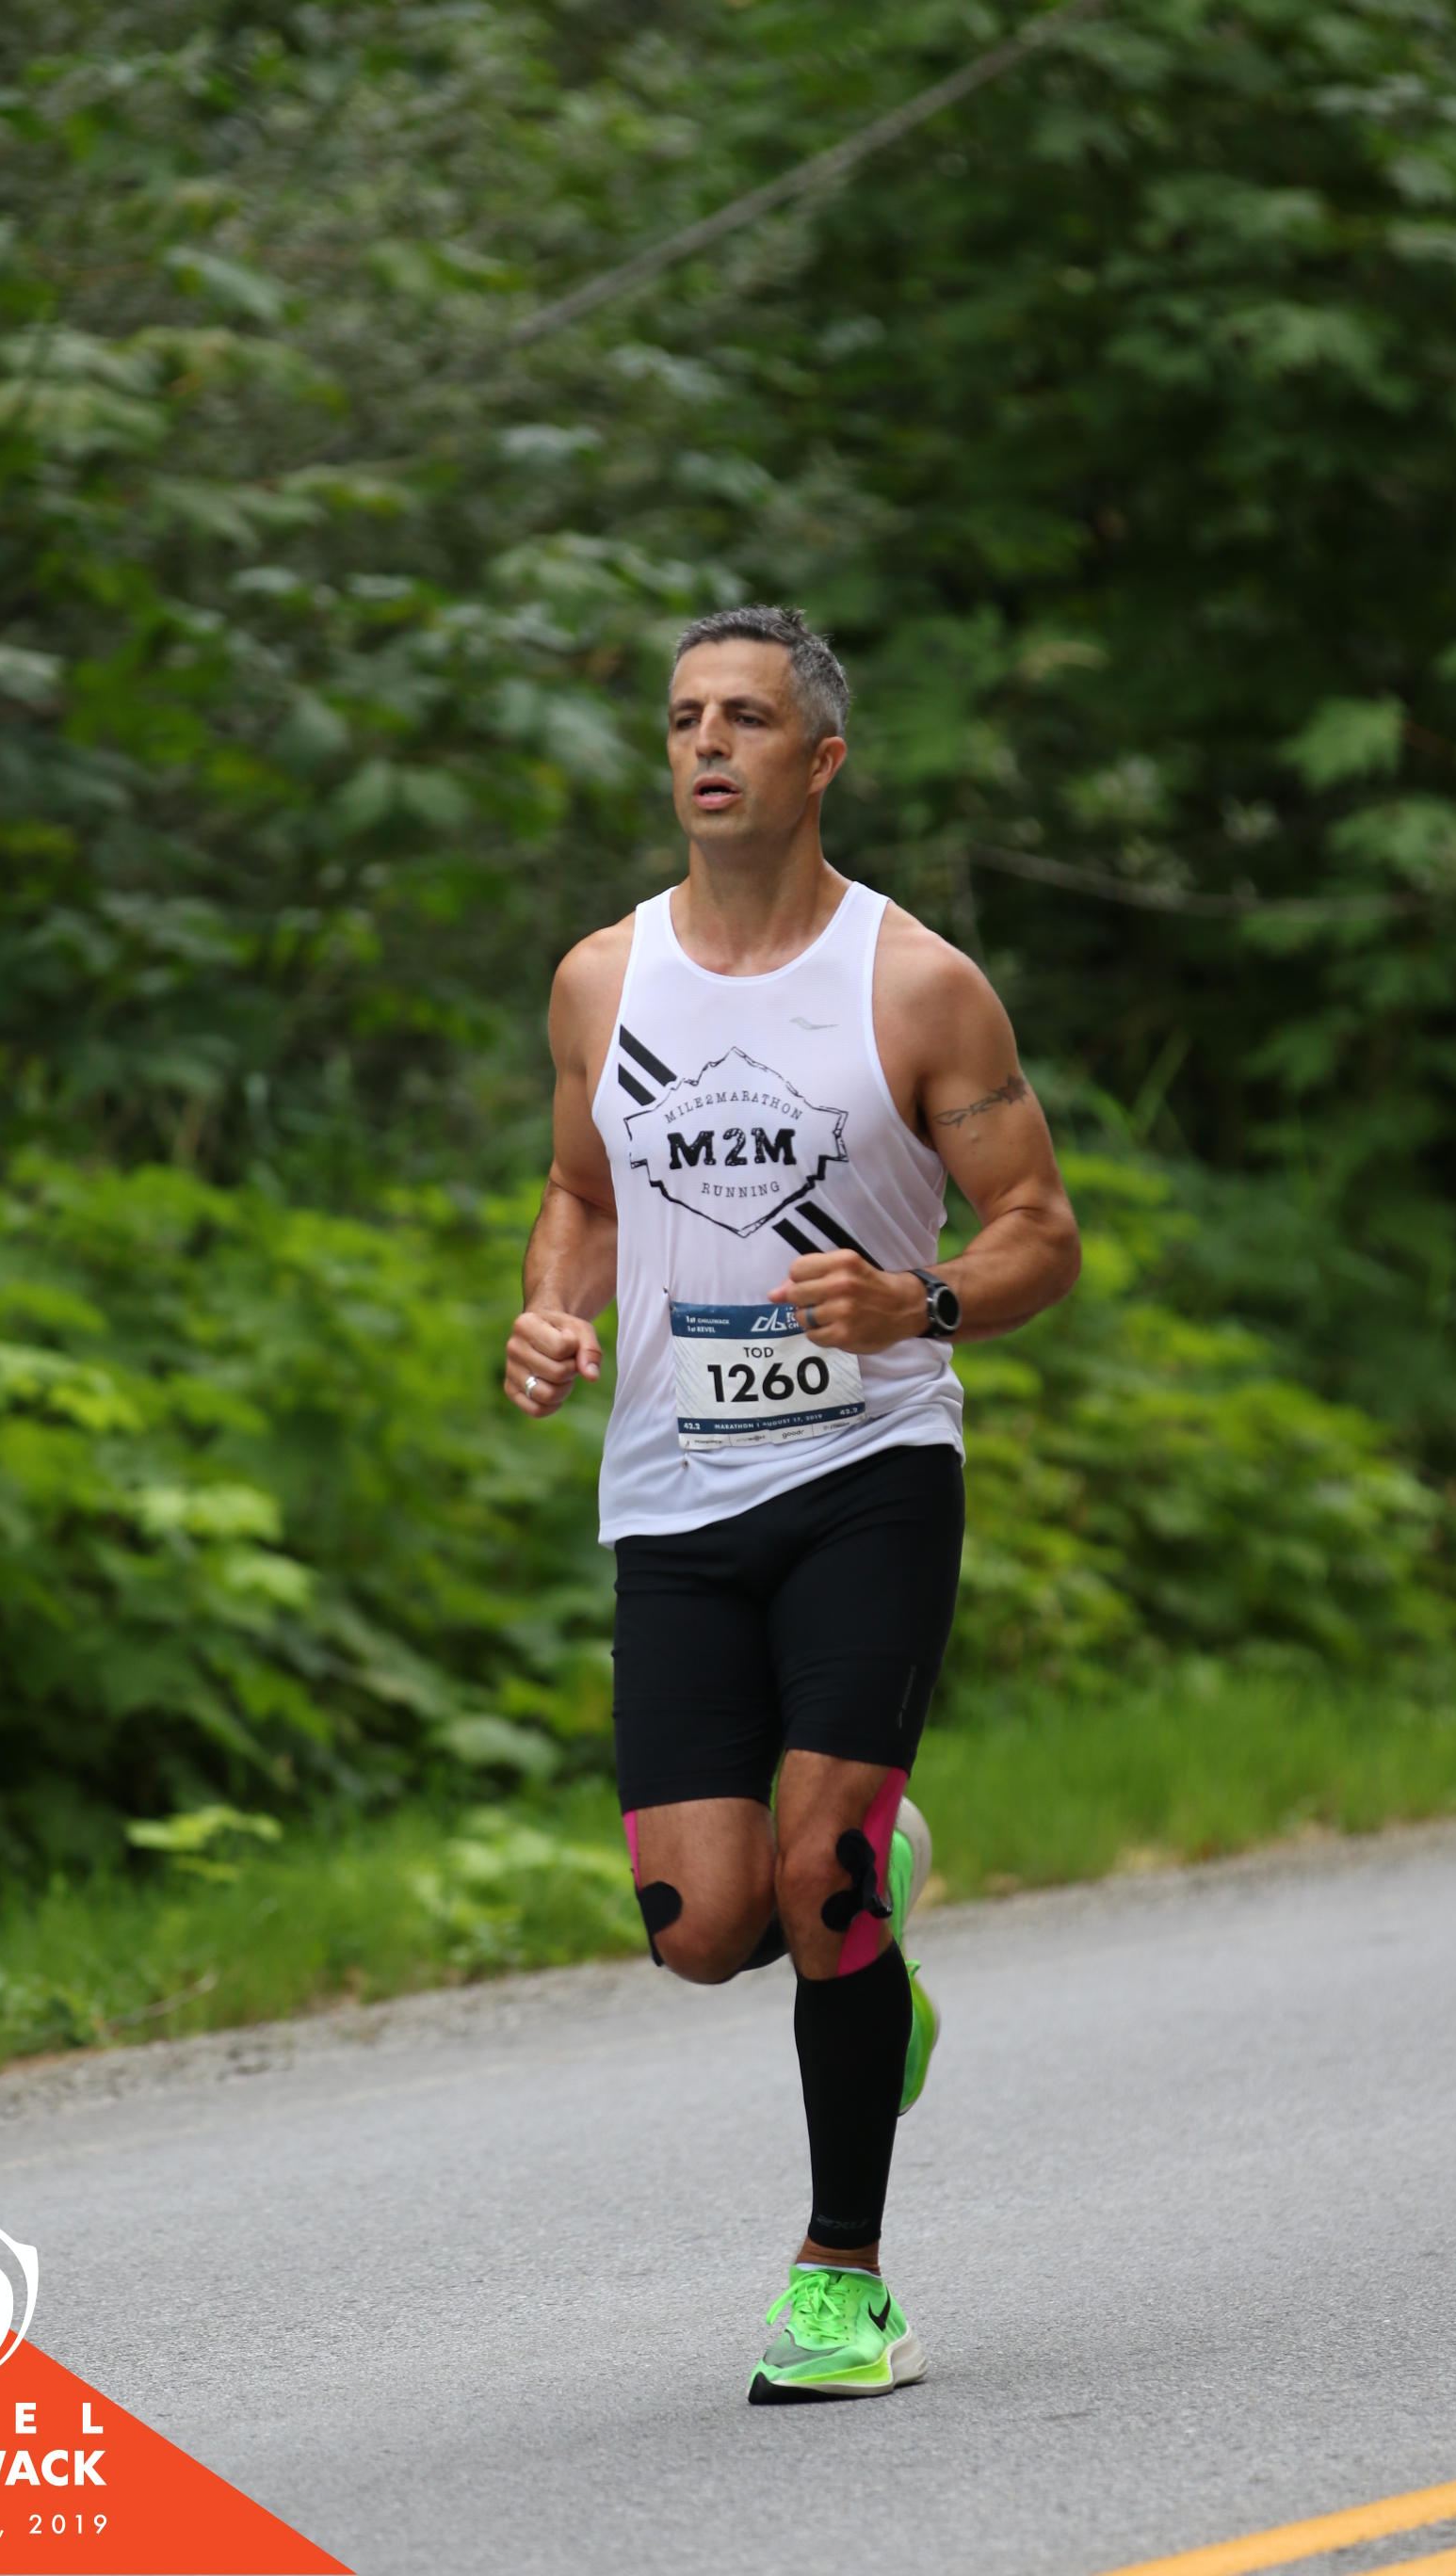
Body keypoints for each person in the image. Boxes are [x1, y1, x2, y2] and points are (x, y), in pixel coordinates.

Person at [505, 605, 1080, 2403]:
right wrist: (552, 1310)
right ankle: (874, 1914)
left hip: (868, 1473)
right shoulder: (603, 980)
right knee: (702, 1929)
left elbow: (1039, 1231)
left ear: (819, 760)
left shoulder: (914, 983)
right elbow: (581, 1194)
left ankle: (844, 2284)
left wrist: (920, 1300)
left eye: (746, 718)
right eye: (686, 716)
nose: (706, 743)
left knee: (819, 1882)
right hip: (675, 1489)